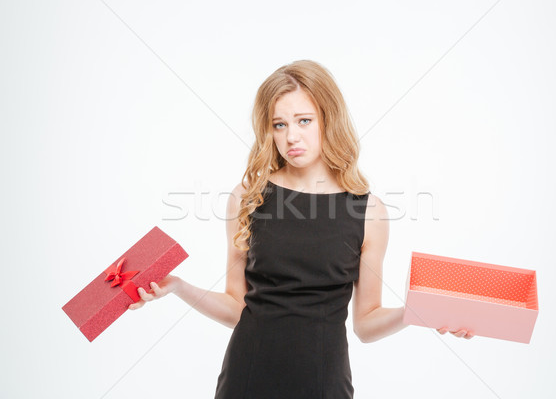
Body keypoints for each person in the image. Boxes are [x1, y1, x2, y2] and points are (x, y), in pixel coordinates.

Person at [128, 59, 474, 398]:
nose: (291, 136)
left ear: (329, 120)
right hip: (246, 381)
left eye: (304, 121)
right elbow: (237, 306)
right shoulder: (248, 197)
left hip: (324, 386)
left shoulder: (369, 212)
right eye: (279, 125)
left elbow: (366, 325)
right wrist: (178, 286)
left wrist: (415, 313)